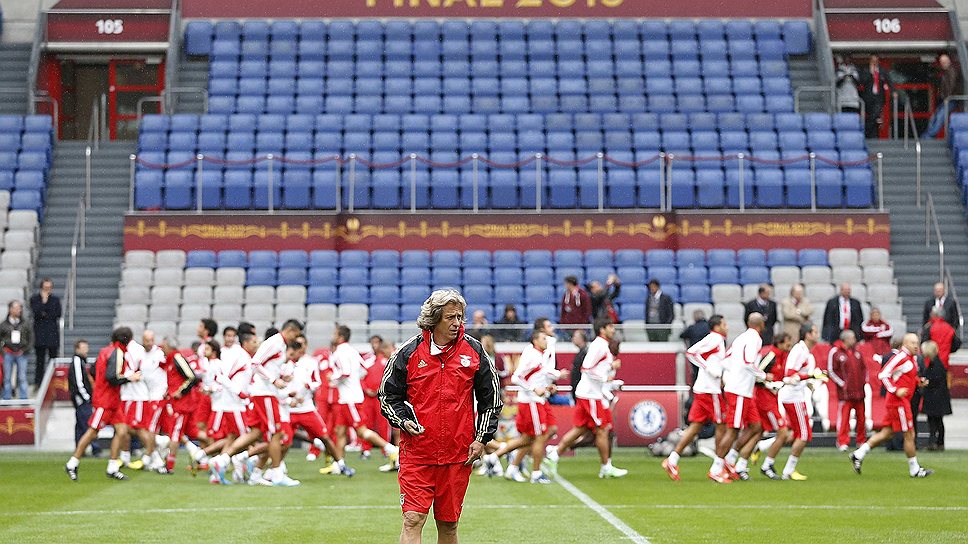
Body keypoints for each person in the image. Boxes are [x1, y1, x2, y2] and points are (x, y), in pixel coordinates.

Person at [379, 289, 502, 544]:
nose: (457, 323)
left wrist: (481, 438)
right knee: (412, 519)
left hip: (458, 454)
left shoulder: (474, 351)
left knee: (448, 525)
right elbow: (387, 396)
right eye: (450, 317)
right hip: (417, 453)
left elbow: (491, 400)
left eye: (460, 317)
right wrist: (403, 420)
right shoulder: (408, 352)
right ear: (434, 319)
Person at [544, 318, 628, 479]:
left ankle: (554, 454)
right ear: (602, 329)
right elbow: (587, 368)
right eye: (610, 327)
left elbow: (595, 368)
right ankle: (606, 467)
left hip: (589, 393)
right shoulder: (599, 346)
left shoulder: (602, 345)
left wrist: (610, 375)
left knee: (581, 429)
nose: (613, 329)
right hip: (591, 395)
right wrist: (606, 376)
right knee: (602, 430)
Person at [850, 333, 933, 478]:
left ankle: (858, 454)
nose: (916, 346)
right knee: (909, 433)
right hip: (898, 402)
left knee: (887, 433)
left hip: (899, 401)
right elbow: (883, 374)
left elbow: (905, 376)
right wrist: (895, 389)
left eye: (917, 343)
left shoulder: (910, 358)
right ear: (905, 344)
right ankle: (914, 469)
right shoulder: (901, 357)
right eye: (913, 343)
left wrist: (918, 381)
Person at [65, 327, 136, 481]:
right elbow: (112, 377)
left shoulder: (105, 351)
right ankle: (72, 463)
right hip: (106, 401)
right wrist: (130, 378)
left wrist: (100, 384)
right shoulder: (117, 352)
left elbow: (93, 371)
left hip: (111, 400)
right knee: (93, 431)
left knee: (122, 431)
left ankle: (112, 467)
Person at [662, 315, 728, 481]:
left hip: (702, 389)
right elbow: (691, 352)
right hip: (710, 391)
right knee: (722, 425)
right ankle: (717, 467)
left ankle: (672, 460)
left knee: (695, 426)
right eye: (724, 324)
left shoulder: (716, 340)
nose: (727, 327)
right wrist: (708, 368)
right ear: (717, 326)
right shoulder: (715, 338)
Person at [329, 324, 399, 471]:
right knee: (340, 431)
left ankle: (392, 450)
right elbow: (363, 370)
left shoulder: (339, 352)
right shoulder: (353, 351)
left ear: (340, 337)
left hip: (350, 399)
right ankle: (338, 465)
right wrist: (353, 382)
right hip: (348, 397)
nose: (332, 336)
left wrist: (333, 378)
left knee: (362, 431)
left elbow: (345, 372)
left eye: (335, 334)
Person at [710, 313, 764, 484]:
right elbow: (748, 362)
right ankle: (716, 468)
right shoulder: (755, 339)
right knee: (733, 429)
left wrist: (730, 376)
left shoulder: (741, 338)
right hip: (740, 390)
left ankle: (730, 459)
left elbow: (726, 360)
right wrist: (763, 376)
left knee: (756, 426)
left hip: (741, 389)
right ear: (761, 325)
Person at [776, 322, 823, 480]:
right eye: (814, 332)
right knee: (804, 434)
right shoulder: (800, 351)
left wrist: (811, 382)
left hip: (797, 395)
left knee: (798, 433)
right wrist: (811, 376)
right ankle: (788, 470)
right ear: (807, 334)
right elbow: (790, 374)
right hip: (793, 396)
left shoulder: (805, 351)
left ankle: (764, 449)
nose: (817, 334)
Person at [828, 330, 868, 451]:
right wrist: (842, 384)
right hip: (845, 393)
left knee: (861, 418)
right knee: (844, 418)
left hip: (859, 391)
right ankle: (842, 441)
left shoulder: (857, 352)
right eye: (853, 338)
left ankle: (861, 441)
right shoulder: (835, 352)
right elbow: (831, 370)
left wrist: (864, 381)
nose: (855, 340)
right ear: (846, 339)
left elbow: (864, 368)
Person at [67, 339, 100, 457]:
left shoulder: (80, 361)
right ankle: (95, 448)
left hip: (80, 399)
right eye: (84, 348)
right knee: (88, 424)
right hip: (82, 399)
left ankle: (80, 450)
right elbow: (78, 382)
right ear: (77, 349)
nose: (87, 350)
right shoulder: (77, 361)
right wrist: (86, 397)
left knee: (80, 426)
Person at [919, 340, 952, 451]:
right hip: (938, 397)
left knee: (934, 421)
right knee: (937, 421)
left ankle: (934, 442)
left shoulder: (936, 365)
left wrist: (926, 382)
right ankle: (938, 442)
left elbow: (935, 380)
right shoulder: (936, 363)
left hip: (935, 397)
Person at [29, 278, 61, 388]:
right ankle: (38, 383)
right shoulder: (35, 299)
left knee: (53, 359)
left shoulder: (55, 299)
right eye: (45, 287)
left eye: (49, 288)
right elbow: (36, 312)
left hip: (52, 333)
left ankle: (54, 382)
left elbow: (57, 314)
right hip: (40, 334)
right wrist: (44, 301)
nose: (47, 290)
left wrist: (45, 312)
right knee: (40, 361)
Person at [924, 53, 961, 139]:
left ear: (949, 61)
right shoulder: (945, 72)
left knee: (940, 117)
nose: (943, 64)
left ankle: (929, 136)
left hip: (950, 99)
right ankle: (928, 135)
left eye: (944, 62)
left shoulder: (951, 71)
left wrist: (947, 97)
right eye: (941, 62)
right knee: (936, 117)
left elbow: (951, 85)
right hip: (946, 99)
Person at [1, 301, 32, 400]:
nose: (19, 310)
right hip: (8, 352)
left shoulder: (25, 324)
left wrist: (26, 349)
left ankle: (23, 397)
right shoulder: (4, 324)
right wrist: (3, 350)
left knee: (22, 377)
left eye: (20, 308)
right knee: (7, 377)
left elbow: (31, 338)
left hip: (22, 353)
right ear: (11, 309)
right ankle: (6, 397)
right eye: (17, 308)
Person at [858, 54, 891, 138]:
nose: (874, 62)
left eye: (875, 61)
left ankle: (865, 132)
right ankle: (873, 136)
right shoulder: (865, 70)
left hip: (879, 98)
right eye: (872, 61)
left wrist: (894, 92)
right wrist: (870, 73)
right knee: (873, 117)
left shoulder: (882, 71)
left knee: (875, 115)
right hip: (868, 98)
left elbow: (889, 81)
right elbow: (862, 82)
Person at [569, 330, 588, 402]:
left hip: (581, 389)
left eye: (575, 336)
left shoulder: (585, 353)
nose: (573, 339)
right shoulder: (582, 352)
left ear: (581, 339)